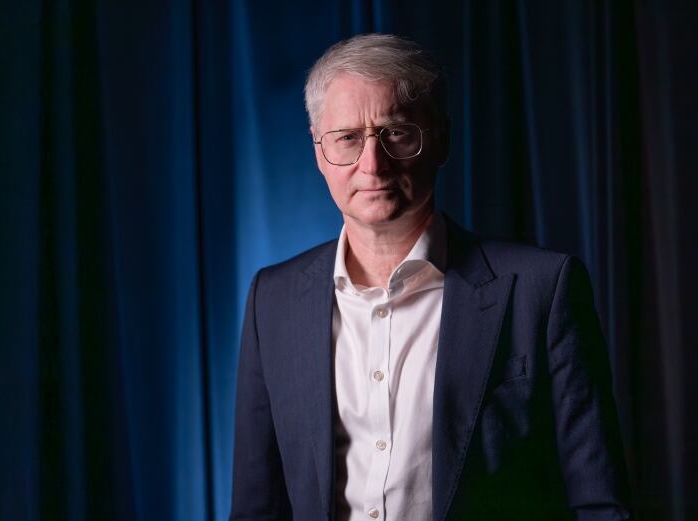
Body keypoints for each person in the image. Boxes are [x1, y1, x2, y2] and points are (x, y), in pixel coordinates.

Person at [230, 33, 631, 521]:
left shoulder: (542, 289)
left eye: (397, 133)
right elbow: (256, 508)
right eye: (348, 138)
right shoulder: (271, 300)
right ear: (319, 152)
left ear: (440, 138)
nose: (372, 165)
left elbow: (598, 504)